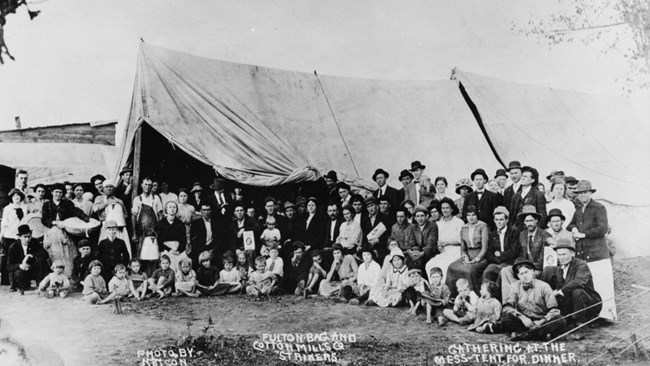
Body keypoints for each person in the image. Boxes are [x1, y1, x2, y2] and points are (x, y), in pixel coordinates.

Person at [567, 180, 615, 319]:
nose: (582, 195)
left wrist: (584, 234)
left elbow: (602, 228)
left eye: (585, 192)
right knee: (589, 286)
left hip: (597, 254)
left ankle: (606, 315)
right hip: (583, 254)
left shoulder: (599, 207)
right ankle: (592, 315)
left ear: (590, 193)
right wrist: (574, 228)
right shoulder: (578, 209)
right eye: (580, 193)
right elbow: (570, 224)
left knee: (601, 284)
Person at [492, 257, 566, 341]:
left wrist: (541, 321)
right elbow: (507, 307)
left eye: (526, 272)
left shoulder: (544, 286)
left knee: (560, 320)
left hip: (541, 321)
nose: (525, 276)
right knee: (505, 318)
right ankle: (538, 335)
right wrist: (522, 318)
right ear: (518, 276)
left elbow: (554, 310)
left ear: (532, 271)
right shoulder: (514, 286)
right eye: (521, 274)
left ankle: (525, 335)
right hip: (524, 322)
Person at [541, 239, 602, 340]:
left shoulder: (581, 265)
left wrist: (559, 292)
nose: (561, 258)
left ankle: (580, 327)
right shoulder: (559, 269)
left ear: (572, 253)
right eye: (559, 255)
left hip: (590, 304)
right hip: (573, 304)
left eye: (564, 254)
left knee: (577, 291)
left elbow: (578, 282)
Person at [499, 205, 552, 301]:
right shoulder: (522, 235)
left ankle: (523, 302)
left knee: (528, 275)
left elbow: (545, 258)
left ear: (536, 221)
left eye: (531, 220)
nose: (529, 223)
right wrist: (520, 266)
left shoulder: (545, 235)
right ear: (524, 222)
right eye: (527, 221)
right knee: (505, 271)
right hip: (523, 266)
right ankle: (508, 302)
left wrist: (529, 268)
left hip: (537, 268)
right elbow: (519, 254)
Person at [42, 183, 89, 277]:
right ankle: (55, 276)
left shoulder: (67, 203)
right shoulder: (47, 204)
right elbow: (44, 219)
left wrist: (86, 218)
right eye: (56, 192)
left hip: (65, 231)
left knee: (67, 253)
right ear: (52, 192)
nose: (58, 194)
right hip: (52, 232)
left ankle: (68, 275)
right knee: (54, 253)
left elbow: (76, 211)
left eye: (60, 192)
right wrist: (54, 223)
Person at [445, 205, 489, 297]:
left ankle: (474, 296)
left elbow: (485, 248)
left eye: (473, 215)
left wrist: (476, 259)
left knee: (469, 270)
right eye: (469, 215)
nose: (471, 217)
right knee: (451, 267)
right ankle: (452, 296)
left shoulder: (483, 226)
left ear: (477, 215)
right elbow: (463, 248)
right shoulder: (464, 228)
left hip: (481, 256)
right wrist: (465, 257)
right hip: (468, 255)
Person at [425, 198, 464, 283]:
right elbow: (439, 239)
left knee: (444, 265)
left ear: (452, 209)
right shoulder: (439, 224)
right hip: (444, 252)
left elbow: (461, 239)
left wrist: (447, 242)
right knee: (429, 264)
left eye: (447, 208)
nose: (445, 210)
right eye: (443, 208)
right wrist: (439, 246)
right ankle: (434, 289)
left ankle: (444, 290)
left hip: (456, 251)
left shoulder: (458, 222)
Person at [482, 207, 521, 286]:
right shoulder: (493, 234)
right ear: (494, 220)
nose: (498, 222)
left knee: (501, 275)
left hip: (510, 262)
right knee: (487, 273)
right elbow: (489, 254)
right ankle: (487, 295)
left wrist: (500, 254)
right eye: (496, 220)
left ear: (506, 220)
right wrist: (497, 260)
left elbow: (514, 252)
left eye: (501, 220)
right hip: (496, 263)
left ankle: (501, 296)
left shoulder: (514, 232)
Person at [94, 180, 131, 258]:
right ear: (103, 189)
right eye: (106, 187)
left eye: (110, 187)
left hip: (119, 227)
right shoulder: (99, 198)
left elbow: (126, 214)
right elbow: (95, 209)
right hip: (106, 227)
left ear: (113, 188)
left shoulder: (119, 200)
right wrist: (107, 203)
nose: (108, 188)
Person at [131, 177, 164, 264]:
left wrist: (160, 230)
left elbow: (160, 214)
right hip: (141, 231)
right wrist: (134, 233)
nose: (147, 187)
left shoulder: (156, 198)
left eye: (150, 185)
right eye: (145, 184)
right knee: (140, 253)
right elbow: (133, 216)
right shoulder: (137, 199)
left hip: (154, 230)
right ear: (142, 185)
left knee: (153, 253)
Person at [1, 188, 27, 285]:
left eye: (18, 195)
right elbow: (4, 224)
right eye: (14, 195)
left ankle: (19, 281)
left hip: (20, 237)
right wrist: (1, 236)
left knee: (19, 257)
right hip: (9, 236)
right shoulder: (7, 209)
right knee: (8, 259)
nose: (16, 197)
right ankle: (7, 281)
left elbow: (26, 221)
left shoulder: (25, 207)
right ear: (11, 197)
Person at [508, 166, 546, 230]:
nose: (522, 178)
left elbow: (543, 217)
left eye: (525, 177)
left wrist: (535, 232)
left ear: (532, 180)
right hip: (516, 231)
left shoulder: (538, 195)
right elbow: (512, 216)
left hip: (531, 230)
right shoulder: (516, 196)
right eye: (522, 176)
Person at [156, 201, 189, 273]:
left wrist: (179, 250)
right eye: (170, 207)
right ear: (166, 210)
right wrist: (169, 250)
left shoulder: (180, 223)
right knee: (168, 260)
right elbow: (159, 240)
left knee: (184, 260)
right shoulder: (161, 223)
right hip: (165, 248)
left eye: (174, 207)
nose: (172, 209)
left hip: (178, 248)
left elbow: (183, 239)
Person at [407, 205, 438, 271]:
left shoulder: (432, 226)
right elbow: (412, 243)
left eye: (422, 216)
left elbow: (431, 244)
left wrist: (422, 253)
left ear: (426, 216)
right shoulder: (413, 227)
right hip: (418, 252)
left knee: (422, 262)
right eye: (418, 216)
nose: (420, 218)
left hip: (430, 252)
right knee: (410, 259)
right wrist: (413, 252)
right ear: (415, 218)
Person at [361, 196, 391, 260]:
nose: (370, 209)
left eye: (372, 205)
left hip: (382, 247)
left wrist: (378, 241)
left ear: (377, 206)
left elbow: (389, 235)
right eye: (368, 207)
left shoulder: (385, 218)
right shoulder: (365, 220)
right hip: (369, 248)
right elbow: (364, 236)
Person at [191, 204, 219, 270]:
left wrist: (212, 250)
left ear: (211, 210)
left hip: (212, 248)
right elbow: (194, 240)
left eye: (208, 210)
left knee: (219, 260)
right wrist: (203, 252)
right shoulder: (196, 223)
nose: (206, 212)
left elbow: (218, 239)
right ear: (201, 211)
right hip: (200, 249)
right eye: (204, 210)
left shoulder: (216, 222)